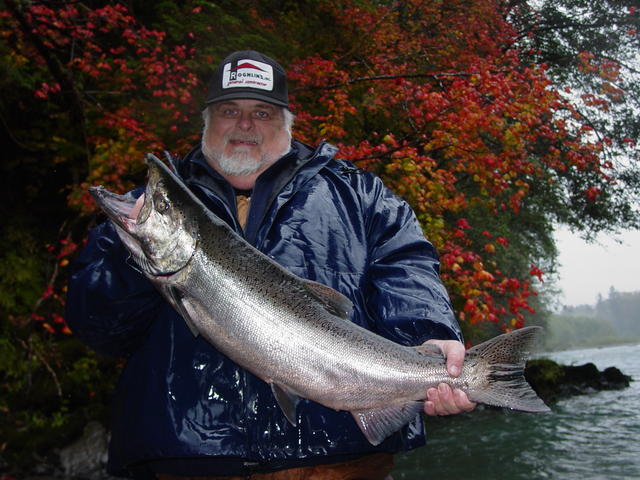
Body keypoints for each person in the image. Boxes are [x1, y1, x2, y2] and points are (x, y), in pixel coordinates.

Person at [66, 50, 475, 480]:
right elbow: (97, 328)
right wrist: (131, 251)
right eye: (229, 110)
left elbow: (406, 265)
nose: (245, 124)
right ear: (206, 121)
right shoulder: (150, 211)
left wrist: (429, 335)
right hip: (185, 455)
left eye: (262, 111)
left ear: (287, 121)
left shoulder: (361, 196)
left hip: (337, 458)